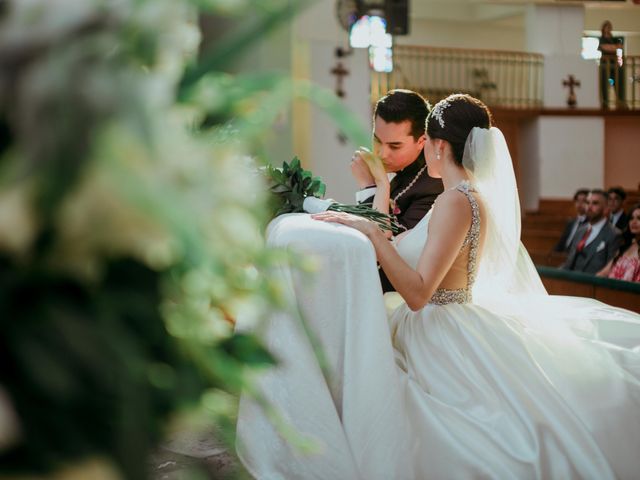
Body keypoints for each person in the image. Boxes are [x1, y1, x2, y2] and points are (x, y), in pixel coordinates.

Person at [237, 94, 640, 479]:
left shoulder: (455, 201)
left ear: (438, 145)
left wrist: (371, 235)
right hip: (445, 320)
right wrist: (376, 200)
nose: (426, 148)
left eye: (427, 140)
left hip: (438, 333)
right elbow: (404, 246)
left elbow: (417, 293)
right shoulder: (460, 195)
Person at [352, 89, 444, 292]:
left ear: (422, 141)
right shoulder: (400, 170)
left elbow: (391, 255)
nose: (382, 154)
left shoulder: (434, 187)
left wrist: (370, 188)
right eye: (377, 141)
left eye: (395, 146)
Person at [561, 189, 621, 274]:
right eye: (587, 202)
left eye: (595, 203)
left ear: (606, 208)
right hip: (571, 282)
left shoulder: (614, 234)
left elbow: (610, 269)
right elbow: (569, 262)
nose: (589, 207)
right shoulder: (580, 230)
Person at [598, 203, 640, 282]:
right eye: (631, 218)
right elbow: (604, 272)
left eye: (639, 218)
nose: (633, 222)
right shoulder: (625, 245)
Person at [598, 20, 626, 109]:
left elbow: (619, 48)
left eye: (609, 27)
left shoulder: (615, 38)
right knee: (604, 85)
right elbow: (605, 47)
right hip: (605, 65)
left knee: (619, 84)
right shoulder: (601, 39)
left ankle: (620, 103)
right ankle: (605, 104)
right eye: (606, 27)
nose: (608, 29)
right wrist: (614, 47)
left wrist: (612, 47)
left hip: (616, 66)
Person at [553, 188, 588, 252]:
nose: (580, 204)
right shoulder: (571, 222)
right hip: (563, 254)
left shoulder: (589, 223)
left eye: (583, 201)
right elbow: (562, 241)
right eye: (577, 200)